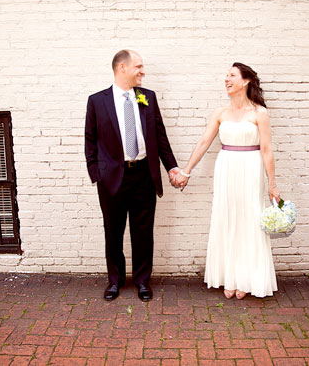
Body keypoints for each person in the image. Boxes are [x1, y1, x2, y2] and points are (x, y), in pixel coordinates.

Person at [173, 62, 280, 299]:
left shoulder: (259, 113)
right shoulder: (220, 113)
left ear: (246, 81)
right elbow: (203, 142)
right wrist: (186, 171)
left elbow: (267, 150)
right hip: (227, 167)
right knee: (227, 218)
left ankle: (246, 279)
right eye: (226, 76)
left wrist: (272, 184)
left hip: (251, 169)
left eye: (232, 75)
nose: (226, 79)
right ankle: (229, 277)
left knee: (249, 220)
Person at [85, 49, 180, 302]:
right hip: (112, 178)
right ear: (122, 68)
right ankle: (114, 281)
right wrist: (97, 175)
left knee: (143, 231)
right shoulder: (97, 101)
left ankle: (141, 281)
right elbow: (90, 140)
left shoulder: (147, 97)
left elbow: (159, 136)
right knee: (113, 231)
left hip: (143, 175)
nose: (142, 71)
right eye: (138, 66)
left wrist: (171, 166)